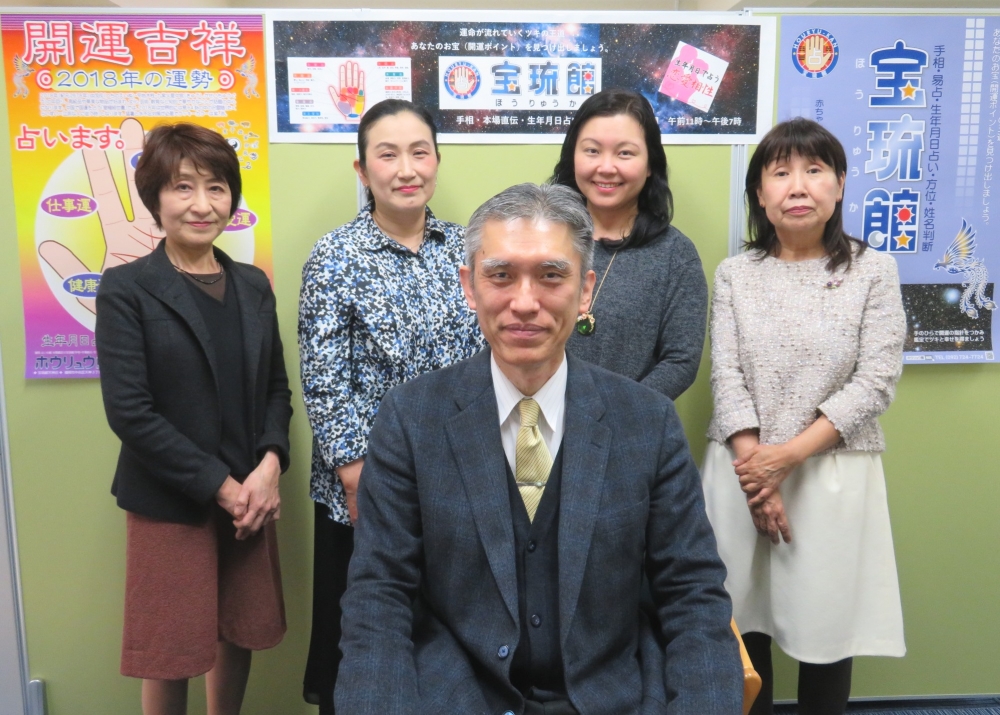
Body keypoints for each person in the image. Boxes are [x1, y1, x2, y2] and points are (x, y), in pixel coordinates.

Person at [335, 183, 743, 715]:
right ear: (469, 287)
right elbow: (378, 599)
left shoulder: (648, 423)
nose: (524, 303)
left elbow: (692, 597)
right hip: (456, 697)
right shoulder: (411, 419)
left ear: (586, 290)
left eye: (552, 276)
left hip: (607, 697)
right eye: (500, 275)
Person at [702, 118, 906, 715]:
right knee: (743, 619)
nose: (798, 186)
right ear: (759, 194)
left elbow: (876, 380)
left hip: (831, 470)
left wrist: (785, 459)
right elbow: (726, 375)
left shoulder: (873, 270)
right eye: (781, 172)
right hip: (740, 470)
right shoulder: (736, 273)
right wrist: (757, 476)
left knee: (826, 627)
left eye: (814, 170)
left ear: (839, 185)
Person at [95, 122, 292, 715]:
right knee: (170, 649)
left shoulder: (252, 284)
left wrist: (270, 466)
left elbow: (277, 390)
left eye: (216, 187)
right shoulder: (127, 289)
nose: (203, 204)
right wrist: (223, 487)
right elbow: (130, 412)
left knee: (240, 629)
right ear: (155, 198)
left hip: (249, 494)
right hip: (170, 500)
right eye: (182, 187)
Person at [297, 99, 484, 713]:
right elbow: (324, 379)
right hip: (366, 487)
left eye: (419, 151)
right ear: (361, 169)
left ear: (437, 160)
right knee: (365, 640)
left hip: (459, 480)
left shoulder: (466, 250)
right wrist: (357, 477)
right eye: (387, 154)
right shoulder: (335, 257)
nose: (406, 168)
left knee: (452, 639)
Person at [552, 89, 707, 400]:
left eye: (625, 153)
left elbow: (680, 362)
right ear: (572, 156)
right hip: (537, 426)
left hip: (631, 432)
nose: (606, 167)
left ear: (650, 164)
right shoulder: (541, 238)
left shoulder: (675, 255)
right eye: (592, 151)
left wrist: (619, 414)